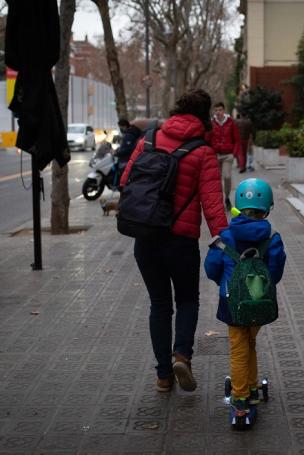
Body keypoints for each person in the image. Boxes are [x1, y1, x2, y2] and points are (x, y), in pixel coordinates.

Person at [119, 89, 228, 393]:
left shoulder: (149, 139)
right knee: (187, 300)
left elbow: (125, 181)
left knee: (159, 304)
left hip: (146, 237)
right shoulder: (203, 151)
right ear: (205, 115)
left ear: (177, 109)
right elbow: (213, 205)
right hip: (181, 241)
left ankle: (163, 376)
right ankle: (182, 355)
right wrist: (227, 242)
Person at [204, 178, 286, 423]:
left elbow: (211, 268)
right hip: (260, 303)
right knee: (250, 342)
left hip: (231, 303)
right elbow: (276, 271)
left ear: (238, 205)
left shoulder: (225, 237)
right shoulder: (272, 237)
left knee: (238, 348)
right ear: (267, 208)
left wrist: (224, 283)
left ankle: (240, 399)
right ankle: (251, 386)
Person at [208, 102, 241, 210]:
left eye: (220, 110)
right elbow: (207, 139)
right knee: (216, 179)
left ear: (224, 110)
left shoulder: (231, 122)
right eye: (216, 110)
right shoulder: (211, 123)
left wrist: (234, 154)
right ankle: (218, 200)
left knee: (227, 177)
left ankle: (227, 198)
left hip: (228, 155)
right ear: (214, 111)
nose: (218, 112)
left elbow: (236, 139)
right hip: (215, 155)